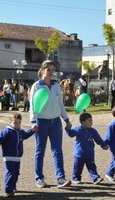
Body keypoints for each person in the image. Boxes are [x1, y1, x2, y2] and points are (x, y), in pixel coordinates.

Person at [29, 60, 72, 188]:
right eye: (49, 70)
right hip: (41, 122)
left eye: (53, 70)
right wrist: (33, 121)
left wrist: (66, 119)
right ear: (42, 70)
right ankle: (39, 178)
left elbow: (60, 105)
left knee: (57, 150)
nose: (51, 72)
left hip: (55, 122)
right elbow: (32, 104)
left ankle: (60, 178)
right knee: (40, 150)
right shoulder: (36, 86)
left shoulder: (56, 86)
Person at [0, 113, 37, 197]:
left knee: (16, 173)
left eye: (19, 122)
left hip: (18, 157)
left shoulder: (20, 131)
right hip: (8, 156)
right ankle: (8, 189)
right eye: (15, 122)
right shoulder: (7, 131)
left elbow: (25, 136)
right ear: (11, 122)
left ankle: (13, 186)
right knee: (10, 173)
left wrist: (32, 130)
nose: (17, 124)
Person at [65, 112, 108, 185]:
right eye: (89, 121)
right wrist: (67, 129)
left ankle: (95, 178)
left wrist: (103, 145)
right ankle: (76, 178)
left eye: (92, 121)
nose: (91, 123)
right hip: (79, 154)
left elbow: (98, 139)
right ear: (83, 122)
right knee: (78, 168)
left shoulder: (93, 131)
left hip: (90, 154)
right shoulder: (77, 129)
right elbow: (71, 134)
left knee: (92, 167)